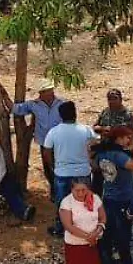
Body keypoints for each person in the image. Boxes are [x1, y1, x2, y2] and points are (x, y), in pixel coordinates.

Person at [94, 128, 133, 264]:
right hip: (123, 199)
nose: (128, 140)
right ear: (118, 139)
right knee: (124, 237)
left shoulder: (103, 154)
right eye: (126, 138)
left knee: (107, 235)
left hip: (108, 198)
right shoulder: (119, 156)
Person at [12, 81, 69, 210]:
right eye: (45, 92)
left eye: (49, 91)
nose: (48, 94)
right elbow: (17, 109)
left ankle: (62, 192)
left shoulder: (62, 104)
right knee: (48, 168)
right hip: (44, 142)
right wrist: (4, 97)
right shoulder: (35, 105)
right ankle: (55, 191)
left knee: (61, 166)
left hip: (60, 142)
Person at [43, 101, 96, 239]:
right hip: (82, 172)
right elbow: (96, 143)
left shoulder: (54, 132)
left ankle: (61, 228)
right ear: (75, 113)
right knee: (84, 202)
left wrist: (53, 166)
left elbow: (47, 152)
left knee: (63, 203)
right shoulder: (85, 130)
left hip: (62, 173)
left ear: (60, 115)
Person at [58, 178, 105, 264]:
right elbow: (68, 225)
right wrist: (88, 237)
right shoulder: (66, 203)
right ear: (72, 189)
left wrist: (97, 231)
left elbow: (102, 218)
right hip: (75, 244)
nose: (80, 193)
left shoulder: (95, 199)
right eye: (77, 190)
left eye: (83, 190)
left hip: (93, 242)